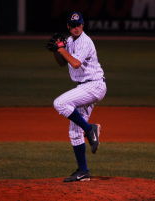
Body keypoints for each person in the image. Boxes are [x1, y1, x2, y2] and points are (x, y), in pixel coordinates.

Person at [47, 11, 107, 182]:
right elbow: (61, 62)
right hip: (85, 86)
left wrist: (61, 48)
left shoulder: (85, 41)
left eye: (78, 25)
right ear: (68, 26)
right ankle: (83, 171)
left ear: (83, 25)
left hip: (94, 85)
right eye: (72, 26)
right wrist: (56, 51)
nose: (76, 28)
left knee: (59, 103)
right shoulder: (70, 41)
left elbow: (75, 62)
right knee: (74, 132)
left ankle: (90, 128)